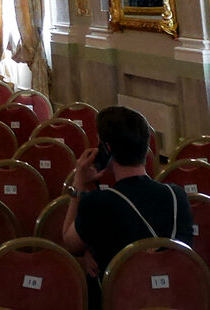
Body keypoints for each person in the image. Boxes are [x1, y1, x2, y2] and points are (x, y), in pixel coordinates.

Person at [63, 105, 192, 308]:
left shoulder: (98, 202)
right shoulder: (177, 196)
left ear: (107, 149)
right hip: (172, 301)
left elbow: (69, 243)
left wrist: (79, 183)